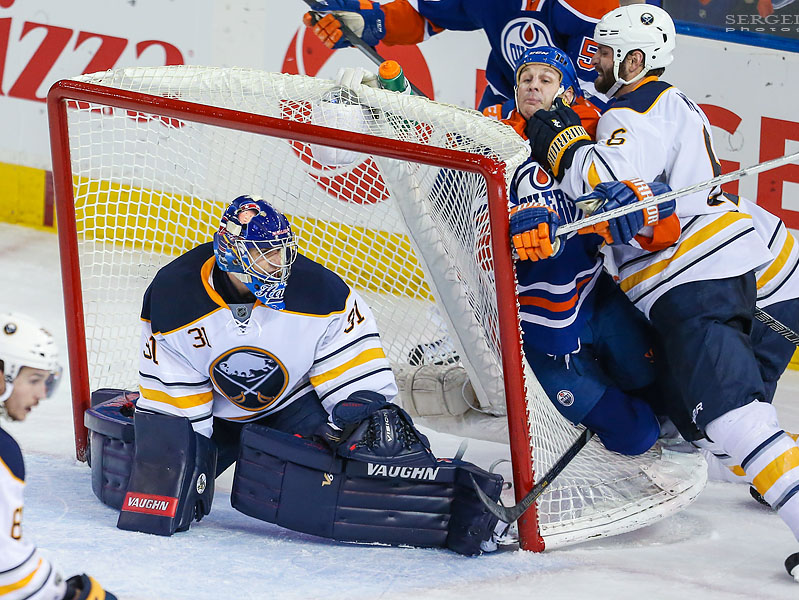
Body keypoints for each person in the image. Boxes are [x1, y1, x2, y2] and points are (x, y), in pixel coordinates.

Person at [523, 4, 799, 582]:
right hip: (738, 274)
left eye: (605, 52)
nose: (592, 60)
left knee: (730, 419)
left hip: (708, 278)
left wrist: (566, 148)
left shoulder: (632, 109)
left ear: (634, 61)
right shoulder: (646, 107)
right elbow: (628, 202)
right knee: (707, 431)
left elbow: (616, 193)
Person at [108, 195, 502, 554]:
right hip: (218, 414)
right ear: (230, 252)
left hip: (295, 406)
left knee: (369, 450)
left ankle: (456, 511)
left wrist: (357, 414)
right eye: (264, 253)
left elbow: (359, 381)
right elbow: (177, 403)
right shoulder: (174, 294)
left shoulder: (321, 292)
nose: (278, 263)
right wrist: (177, 462)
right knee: (151, 488)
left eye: (280, 251)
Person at [502, 46, 681, 456]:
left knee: (669, 395)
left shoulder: (597, 137)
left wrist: (648, 202)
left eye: (545, 79)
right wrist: (508, 225)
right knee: (636, 435)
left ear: (567, 94)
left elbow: (661, 222)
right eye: (525, 79)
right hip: (535, 328)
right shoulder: (496, 146)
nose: (532, 87)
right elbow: (460, 218)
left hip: (596, 297)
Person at [301, 0, 620, 111]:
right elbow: (427, 14)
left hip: (573, 120)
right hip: (505, 99)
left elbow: (591, 96)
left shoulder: (589, 4)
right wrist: (372, 22)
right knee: (456, 198)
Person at [0, 312, 117, 600]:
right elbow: (8, 571)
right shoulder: (3, 455)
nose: (42, 393)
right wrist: (65, 593)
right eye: (34, 380)